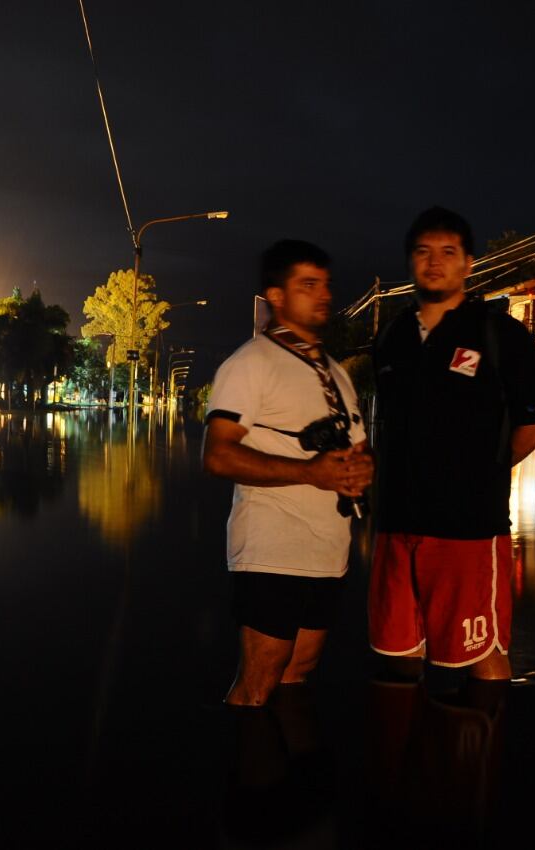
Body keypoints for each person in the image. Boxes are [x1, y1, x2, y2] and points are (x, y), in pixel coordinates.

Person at [370, 207, 535, 685]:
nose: (435, 262)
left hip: (468, 528)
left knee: (480, 654)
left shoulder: (499, 334)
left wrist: (481, 469)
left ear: (469, 263)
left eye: (448, 252)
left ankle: (478, 757)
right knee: (398, 653)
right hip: (395, 523)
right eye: (423, 252)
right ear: (410, 261)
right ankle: (403, 755)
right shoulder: (391, 336)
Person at [203, 239, 373, 707]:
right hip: (271, 549)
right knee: (258, 684)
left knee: (298, 675)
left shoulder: (335, 372)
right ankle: (243, 774)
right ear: (276, 296)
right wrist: (309, 472)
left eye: (326, 285)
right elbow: (217, 455)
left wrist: (362, 467)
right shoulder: (250, 363)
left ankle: (283, 774)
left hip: (326, 551)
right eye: (308, 285)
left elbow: (359, 446)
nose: (323, 295)